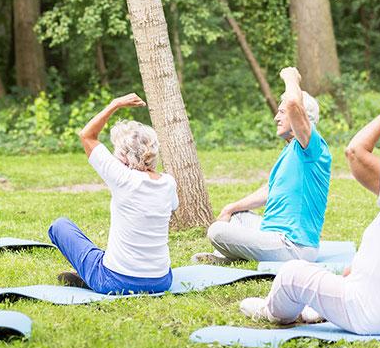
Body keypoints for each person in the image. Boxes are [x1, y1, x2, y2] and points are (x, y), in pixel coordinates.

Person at [240, 108, 380, 334]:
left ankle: (273, 311)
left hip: (379, 317)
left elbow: (355, 152)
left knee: (291, 274)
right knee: (346, 275)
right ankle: (320, 309)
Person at [192, 67, 331, 264]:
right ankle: (228, 257)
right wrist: (231, 207)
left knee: (217, 231)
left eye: (282, 112)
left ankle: (230, 258)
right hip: (271, 233)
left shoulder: (312, 147)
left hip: (292, 246)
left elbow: (293, 103)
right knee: (237, 216)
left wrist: (292, 78)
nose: (276, 118)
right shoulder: (291, 150)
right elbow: (271, 190)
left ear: (300, 117)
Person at [48, 93, 177, 294]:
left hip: (115, 282)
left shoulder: (122, 177)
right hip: (161, 281)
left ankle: (91, 277)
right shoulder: (168, 183)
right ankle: (94, 270)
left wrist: (115, 104)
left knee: (59, 226)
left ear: (124, 157)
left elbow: (87, 135)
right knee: (103, 254)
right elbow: (172, 207)